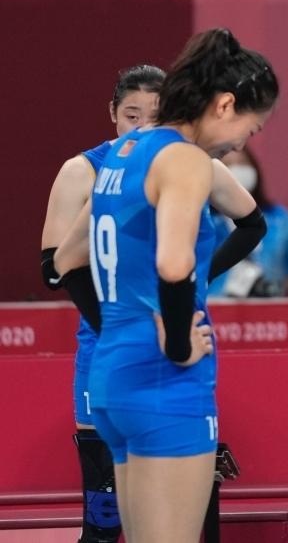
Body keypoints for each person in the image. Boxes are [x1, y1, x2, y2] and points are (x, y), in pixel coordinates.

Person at [54, 28, 278, 543]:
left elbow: (61, 262)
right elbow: (175, 265)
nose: (242, 144)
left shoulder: (125, 150)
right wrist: (179, 346)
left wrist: (122, 321)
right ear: (225, 104)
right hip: (165, 382)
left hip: (113, 376)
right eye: (250, 127)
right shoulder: (184, 158)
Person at [40, 64, 164, 543]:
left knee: (160, 519)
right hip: (105, 355)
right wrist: (115, 328)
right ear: (112, 113)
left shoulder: (183, 170)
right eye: (132, 115)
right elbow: (52, 269)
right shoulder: (82, 171)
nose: (142, 126)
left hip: (169, 356)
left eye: (155, 116)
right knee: (105, 521)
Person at [209, 146, 288, 297]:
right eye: (227, 164)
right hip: (214, 305)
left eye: (242, 162)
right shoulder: (204, 219)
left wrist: (272, 290)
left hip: (266, 307)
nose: (236, 169)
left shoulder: (279, 218)